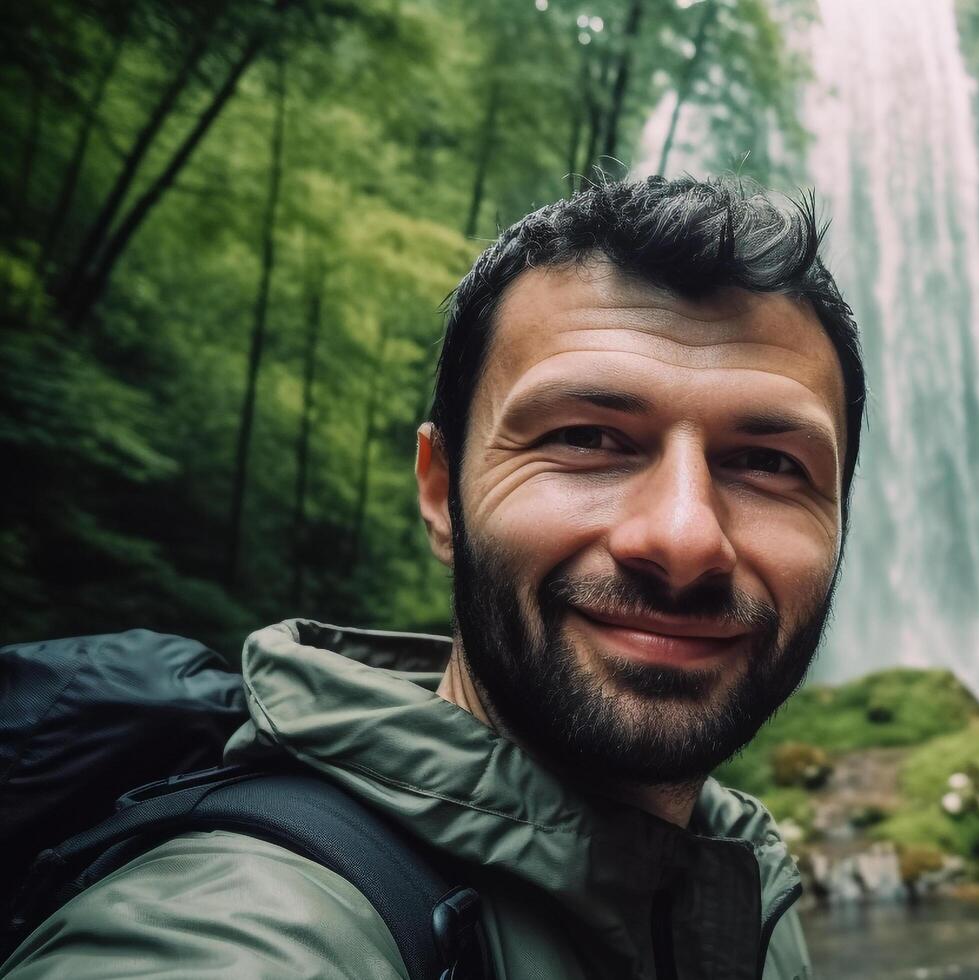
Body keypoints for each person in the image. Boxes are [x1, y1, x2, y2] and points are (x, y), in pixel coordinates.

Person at [0, 176, 865, 980]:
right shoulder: (243, 927)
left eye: (766, 462)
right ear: (443, 491)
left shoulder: (746, 891)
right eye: (586, 439)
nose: (683, 537)